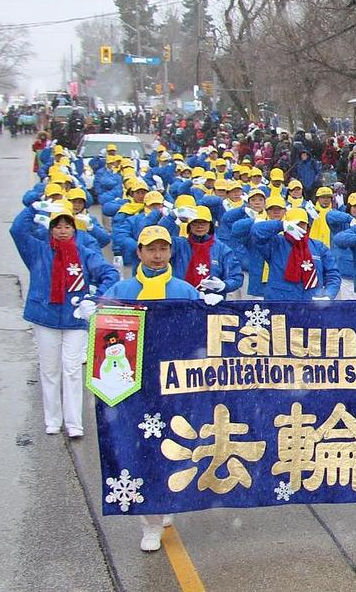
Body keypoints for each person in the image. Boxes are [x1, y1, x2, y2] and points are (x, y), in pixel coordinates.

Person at [97, 225, 200, 553]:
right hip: (135, 385)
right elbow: (105, 341)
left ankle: (165, 499)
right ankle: (150, 522)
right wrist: (95, 314)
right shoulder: (122, 289)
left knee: (173, 445)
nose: (157, 255)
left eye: (163, 249)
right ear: (138, 252)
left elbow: (199, 338)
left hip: (174, 383)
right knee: (141, 448)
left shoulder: (185, 291)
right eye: (150, 249)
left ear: (171, 252)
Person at [11, 201, 119, 437]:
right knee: (50, 370)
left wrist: (94, 298)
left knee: (72, 370)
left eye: (67, 226)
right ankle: (52, 419)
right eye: (57, 226)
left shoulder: (84, 254)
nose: (62, 230)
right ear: (50, 229)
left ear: (74, 229)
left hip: (75, 319)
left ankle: (74, 423)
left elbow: (110, 273)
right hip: (45, 316)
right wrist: (32, 208)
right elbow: (17, 230)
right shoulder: (37, 249)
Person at [251, 208, 340, 300]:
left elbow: (332, 274)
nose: (299, 227)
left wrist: (328, 295)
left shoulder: (319, 247)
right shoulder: (276, 243)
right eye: (295, 224)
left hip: (312, 301)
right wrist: (281, 225)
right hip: (280, 301)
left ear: (307, 226)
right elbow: (256, 231)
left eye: (302, 224)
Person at [158, 206, 243, 302]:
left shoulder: (222, 249)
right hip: (180, 300)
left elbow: (236, 277)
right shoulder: (179, 245)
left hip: (212, 302)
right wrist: (171, 216)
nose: (199, 226)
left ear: (210, 225)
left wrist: (224, 286)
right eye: (195, 223)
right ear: (189, 226)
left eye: (203, 223)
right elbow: (158, 236)